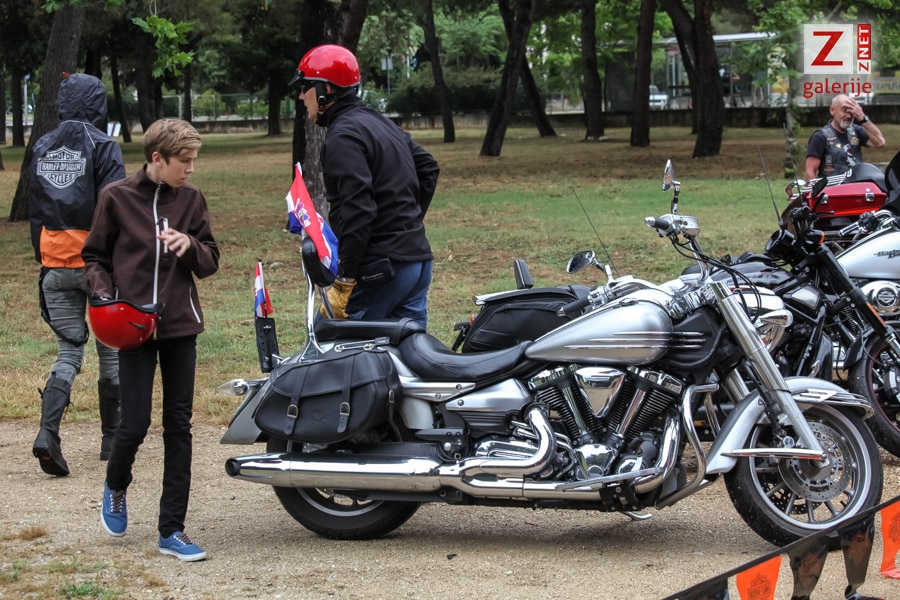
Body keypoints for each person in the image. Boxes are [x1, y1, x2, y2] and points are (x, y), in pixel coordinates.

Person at [82, 118, 219, 562]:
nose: (191, 169)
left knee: (179, 426)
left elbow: (210, 260)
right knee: (135, 423)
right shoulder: (115, 197)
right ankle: (116, 484)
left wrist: (189, 245)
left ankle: (171, 530)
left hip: (180, 327)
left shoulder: (191, 199)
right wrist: (105, 295)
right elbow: (94, 256)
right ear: (157, 159)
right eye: (184, 161)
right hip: (132, 327)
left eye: (194, 160)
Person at [293, 44, 440, 329]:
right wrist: (405, 225)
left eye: (304, 87)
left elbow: (358, 208)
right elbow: (428, 167)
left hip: (382, 270)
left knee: (326, 342)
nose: (301, 96)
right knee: (406, 350)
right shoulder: (380, 122)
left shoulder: (342, 137)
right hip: (416, 261)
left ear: (325, 90)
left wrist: (345, 279)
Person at [28, 72, 125, 476]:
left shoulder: (41, 145)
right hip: (97, 265)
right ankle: (111, 440)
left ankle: (47, 433)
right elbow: (116, 206)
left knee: (68, 353)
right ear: (98, 103)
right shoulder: (104, 145)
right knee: (111, 351)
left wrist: (44, 257)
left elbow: (35, 209)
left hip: (54, 263)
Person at [805, 94, 886, 182]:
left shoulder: (856, 131)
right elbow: (810, 172)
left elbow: (880, 142)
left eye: (851, 112)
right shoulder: (820, 136)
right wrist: (815, 190)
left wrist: (862, 118)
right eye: (844, 110)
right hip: (833, 187)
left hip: (857, 185)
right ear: (832, 110)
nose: (848, 116)